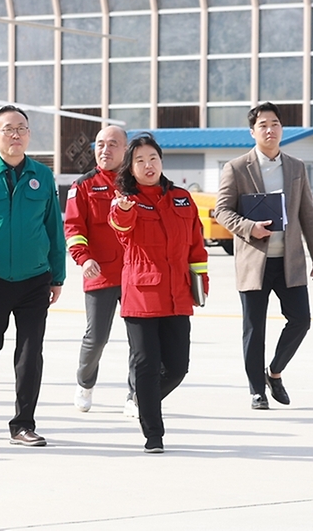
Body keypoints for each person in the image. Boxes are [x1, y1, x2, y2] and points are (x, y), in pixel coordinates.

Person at [0, 105, 65, 447]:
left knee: (30, 352)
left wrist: (57, 275)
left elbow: (54, 228)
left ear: (29, 134)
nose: (15, 134)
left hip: (34, 278)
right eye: (8, 129)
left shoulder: (42, 176)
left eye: (21, 128)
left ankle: (23, 424)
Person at [214, 102, 313, 410]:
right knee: (254, 328)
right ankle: (256, 390)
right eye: (263, 125)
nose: (270, 129)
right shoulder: (236, 168)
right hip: (254, 263)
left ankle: (274, 373)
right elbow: (221, 212)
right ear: (253, 132)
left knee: (301, 320)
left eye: (275, 124)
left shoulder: (296, 167)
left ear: (281, 129)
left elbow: (307, 213)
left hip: (290, 262)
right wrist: (250, 227)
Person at [109, 134, 208, 453]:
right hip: (141, 295)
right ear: (131, 167)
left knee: (178, 367)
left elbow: (196, 245)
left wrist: (200, 281)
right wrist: (123, 209)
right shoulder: (125, 200)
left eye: (152, 158)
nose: (147, 165)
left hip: (178, 293)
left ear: (161, 162)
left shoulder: (181, 198)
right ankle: (153, 433)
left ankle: (143, 398)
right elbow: (120, 228)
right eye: (139, 160)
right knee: (147, 365)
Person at [64, 125, 138, 416]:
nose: (105, 150)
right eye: (100, 144)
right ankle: (85, 383)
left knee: (140, 341)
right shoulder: (83, 185)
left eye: (112, 144)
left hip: (136, 274)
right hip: (101, 273)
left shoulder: (137, 183)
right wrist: (83, 259)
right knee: (96, 338)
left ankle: (135, 395)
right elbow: (73, 228)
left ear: (125, 149)